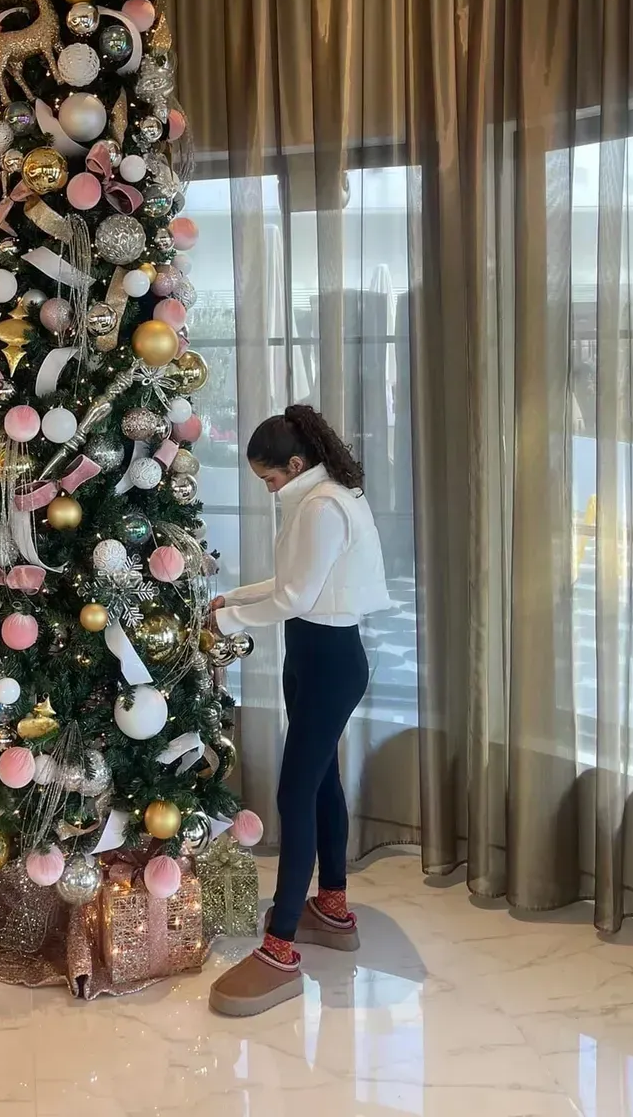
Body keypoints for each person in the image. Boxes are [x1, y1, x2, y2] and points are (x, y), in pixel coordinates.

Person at [208, 405, 391, 1018]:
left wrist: (228, 618)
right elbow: (291, 583)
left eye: (270, 479)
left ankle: (281, 944)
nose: (268, 490)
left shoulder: (322, 508)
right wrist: (231, 597)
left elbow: (295, 596)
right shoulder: (322, 498)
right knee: (320, 785)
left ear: (295, 464)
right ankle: (330, 907)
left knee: (295, 792)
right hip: (312, 656)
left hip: (329, 663)